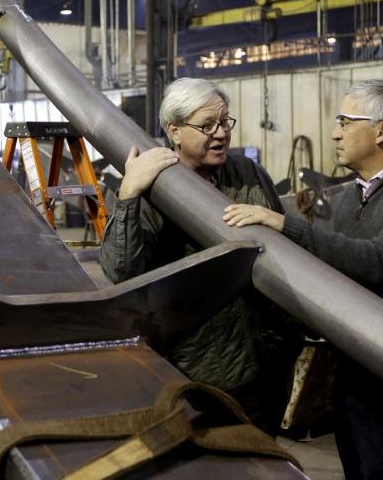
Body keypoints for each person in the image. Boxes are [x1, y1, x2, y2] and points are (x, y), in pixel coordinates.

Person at [224, 79, 383, 480]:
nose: (335, 132)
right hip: (357, 373)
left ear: (382, 130)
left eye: (345, 121)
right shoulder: (355, 195)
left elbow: (379, 262)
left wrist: (287, 226)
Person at [99, 77, 297, 430]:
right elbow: (120, 270)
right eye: (207, 125)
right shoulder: (154, 187)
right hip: (201, 367)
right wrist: (128, 193)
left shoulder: (247, 174)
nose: (220, 133)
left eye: (225, 122)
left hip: (268, 357)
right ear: (174, 130)